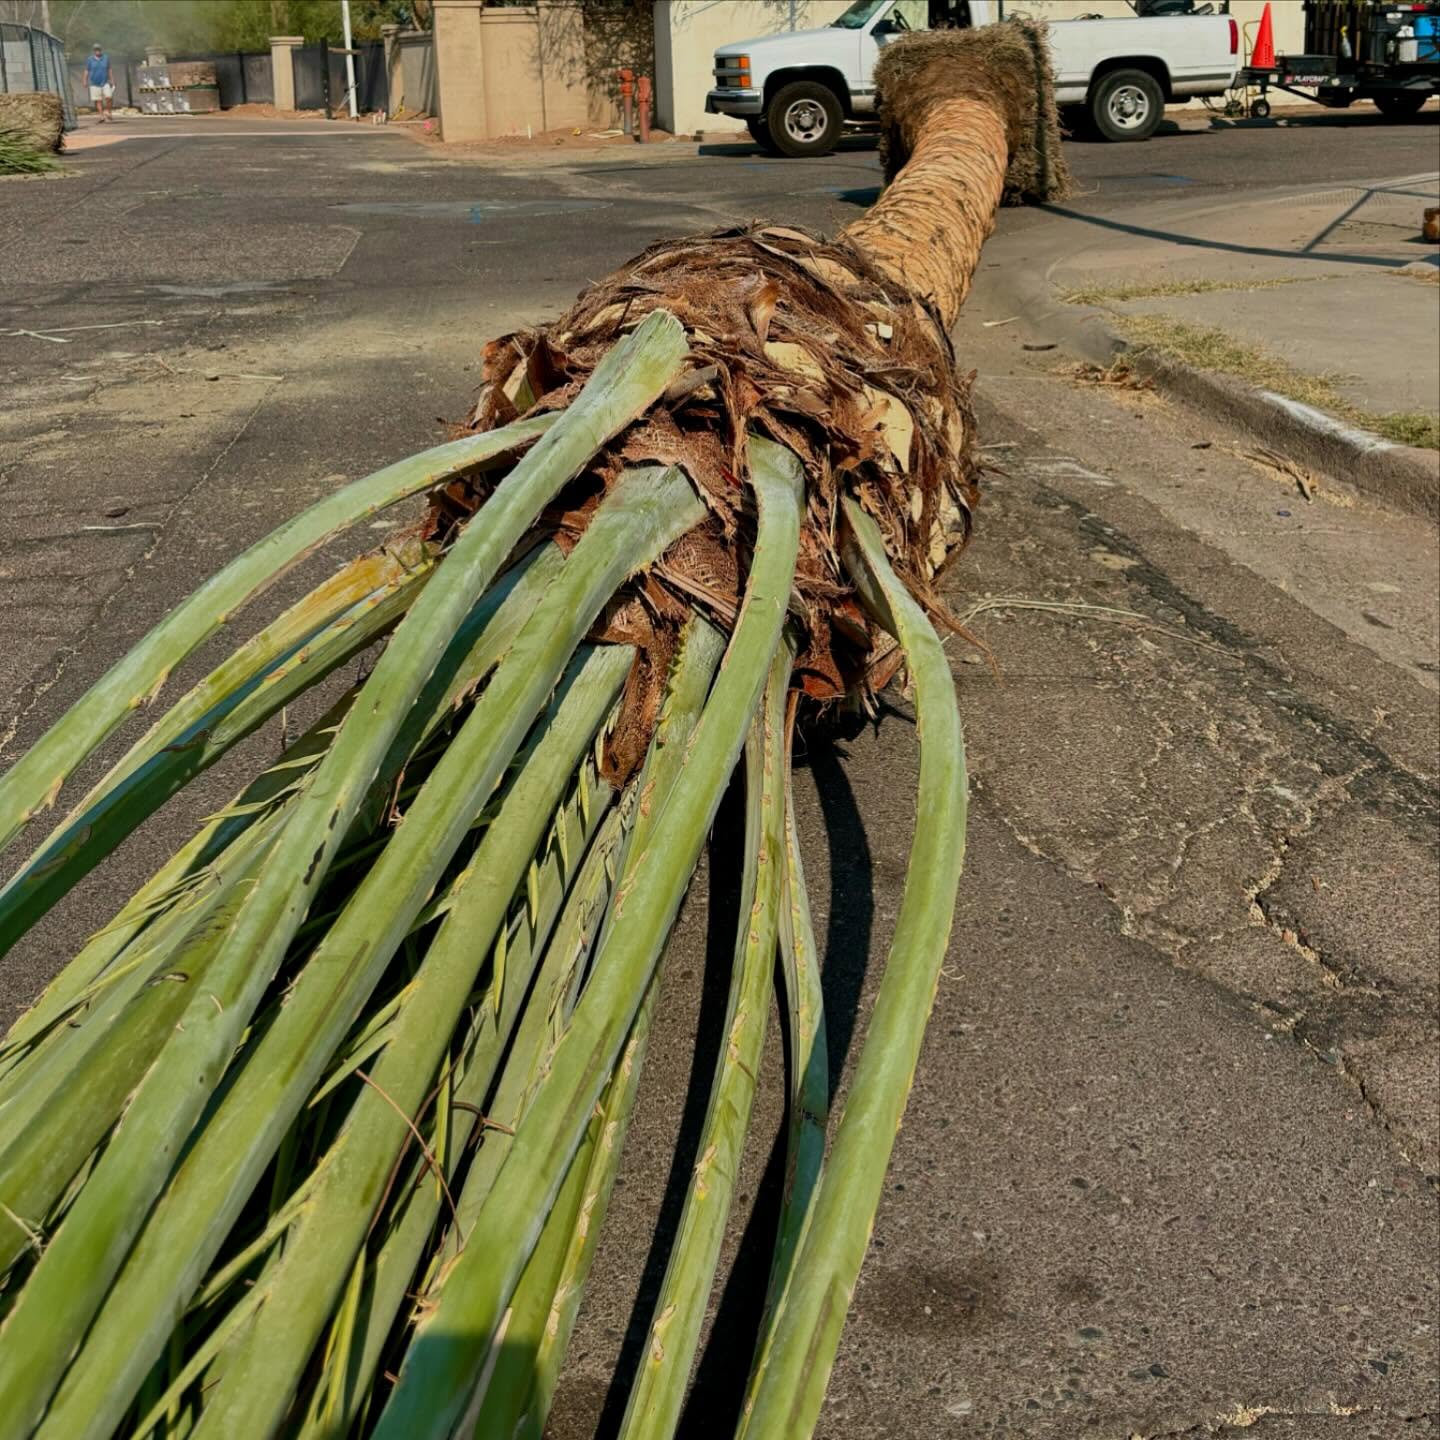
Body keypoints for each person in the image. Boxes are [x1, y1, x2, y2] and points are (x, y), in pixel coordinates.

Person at [86, 44, 114, 122]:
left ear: (101, 50)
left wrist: (112, 80)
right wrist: (85, 80)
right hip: (94, 83)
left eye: (98, 49)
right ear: (93, 51)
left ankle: (108, 111)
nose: (97, 51)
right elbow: (87, 70)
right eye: (95, 49)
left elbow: (109, 69)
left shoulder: (106, 58)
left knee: (109, 97)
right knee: (98, 100)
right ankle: (101, 116)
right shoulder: (90, 59)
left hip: (105, 82)